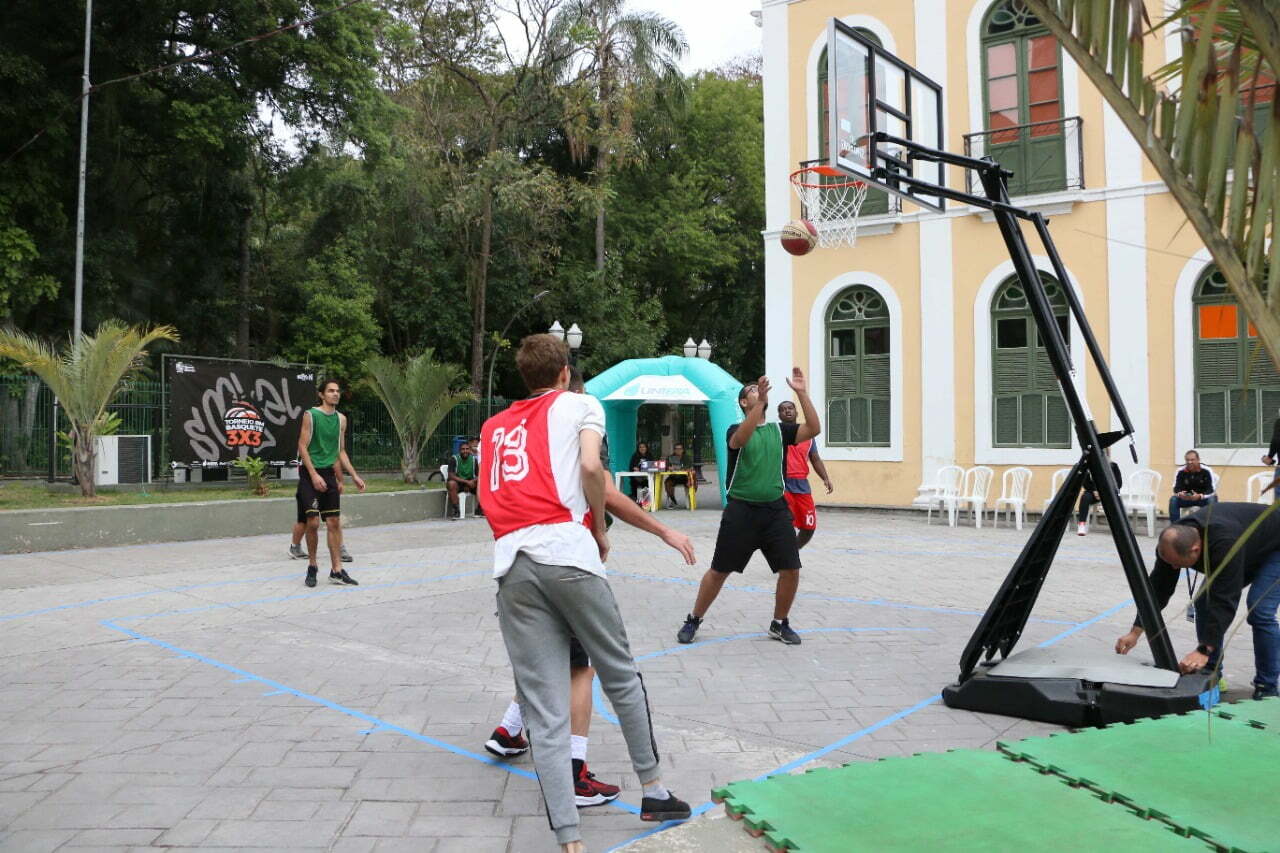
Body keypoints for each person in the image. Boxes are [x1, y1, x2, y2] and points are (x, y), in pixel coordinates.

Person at [479, 334, 690, 852]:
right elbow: (594, 470)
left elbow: (491, 494)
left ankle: (570, 840)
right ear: (564, 370)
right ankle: (654, 789)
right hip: (568, 552)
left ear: (524, 376)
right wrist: (596, 529)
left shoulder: (492, 427)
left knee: (543, 706)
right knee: (618, 672)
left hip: (511, 564)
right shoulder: (579, 404)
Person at [677, 369, 821, 647]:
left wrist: (802, 393)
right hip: (741, 511)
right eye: (752, 390)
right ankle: (694, 619)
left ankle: (780, 623)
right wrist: (761, 403)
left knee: (791, 569)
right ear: (744, 403)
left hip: (775, 511)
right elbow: (740, 440)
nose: (758, 390)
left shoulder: (780, 431)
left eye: (760, 389)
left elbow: (813, 429)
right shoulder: (735, 429)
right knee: (719, 570)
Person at [1114, 502, 1280, 700]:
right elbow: (1158, 589)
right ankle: (1211, 673)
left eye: (1177, 563)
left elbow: (1224, 601)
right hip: (1249, 545)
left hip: (1275, 548)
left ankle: (1267, 685)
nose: (1173, 567)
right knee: (1203, 602)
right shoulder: (1173, 540)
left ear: (1195, 549)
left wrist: (1203, 649)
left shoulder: (1224, 544)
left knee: (1260, 610)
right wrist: (1135, 631)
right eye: (1169, 562)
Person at [296, 379, 364, 587]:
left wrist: (353, 475)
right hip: (310, 475)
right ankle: (313, 565)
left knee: (334, 523)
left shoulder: (341, 419)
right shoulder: (311, 415)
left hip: (328, 474)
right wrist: (313, 474)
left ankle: (336, 570)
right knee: (313, 522)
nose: (335, 394)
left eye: (337, 391)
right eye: (331, 391)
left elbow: (340, 451)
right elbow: (302, 446)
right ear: (321, 394)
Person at [777, 400, 833, 549]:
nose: (787, 411)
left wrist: (825, 478)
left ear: (796, 412)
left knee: (809, 528)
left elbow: (815, 459)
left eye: (790, 408)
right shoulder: (776, 433)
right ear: (779, 415)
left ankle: (792, 551)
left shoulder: (808, 435)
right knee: (786, 523)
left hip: (802, 486)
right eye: (783, 409)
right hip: (782, 485)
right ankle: (786, 558)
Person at [1076, 449, 1122, 536]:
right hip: (1094, 493)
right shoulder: (1089, 465)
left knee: (1115, 499)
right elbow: (1085, 483)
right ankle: (1082, 524)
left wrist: (1104, 491)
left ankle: (1118, 528)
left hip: (1109, 493)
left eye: (1103, 453)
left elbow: (1118, 483)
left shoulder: (1113, 466)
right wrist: (1094, 490)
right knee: (1085, 496)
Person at [1169, 449, 1215, 521]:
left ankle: (1210, 527)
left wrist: (1200, 496)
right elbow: (1176, 488)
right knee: (1173, 500)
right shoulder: (1180, 471)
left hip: (1202, 498)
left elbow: (1212, 490)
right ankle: (1175, 526)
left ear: (1198, 460)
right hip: (1187, 498)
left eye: (1192, 460)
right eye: (1187, 460)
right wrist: (1180, 494)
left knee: (1212, 499)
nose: (1189, 462)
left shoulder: (1207, 470)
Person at [447, 441, 481, 519]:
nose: (465, 451)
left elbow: (480, 475)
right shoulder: (454, 459)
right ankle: (456, 511)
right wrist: (466, 482)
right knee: (451, 484)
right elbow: (451, 475)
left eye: (467, 449)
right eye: (463, 449)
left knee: (482, 483)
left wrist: (473, 481)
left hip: (470, 484)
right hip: (458, 484)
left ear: (469, 450)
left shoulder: (473, 459)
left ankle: (479, 509)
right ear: (459, 450)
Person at [662, 442, 694, 508]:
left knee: (691, 482)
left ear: (683, 450)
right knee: (667, 483)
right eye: (676, 449)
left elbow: (690, 467)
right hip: (673, 477)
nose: (678, 450)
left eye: (680, 449)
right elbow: (665, 466)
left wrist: (681, 468)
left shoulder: (687, 457)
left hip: (684, 478)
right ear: (674, 450)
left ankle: (690, 500)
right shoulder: (670, 457)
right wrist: (668, 468)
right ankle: (673, 500)